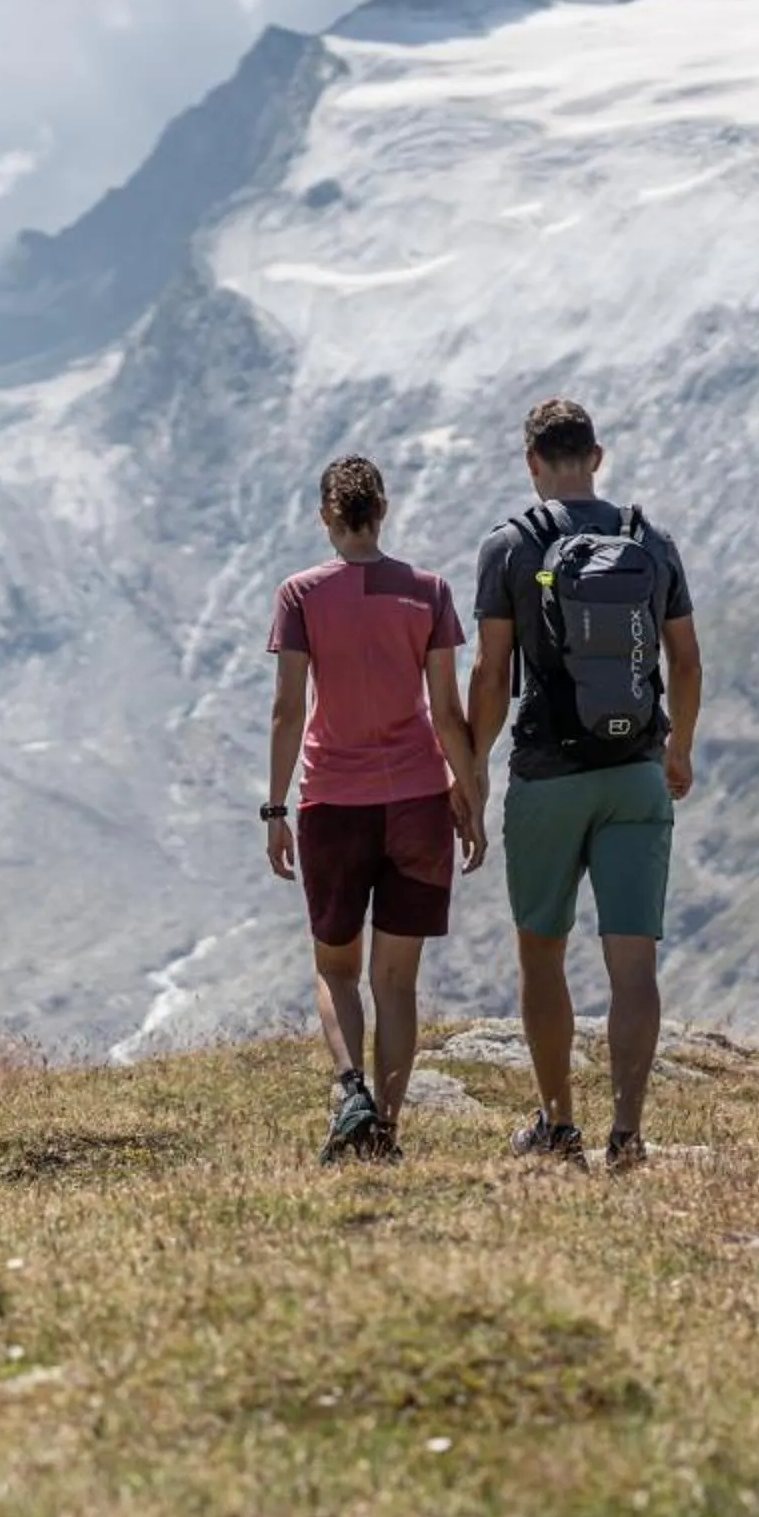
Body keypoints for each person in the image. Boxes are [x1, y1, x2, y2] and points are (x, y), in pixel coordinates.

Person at [466, 397, 701, 1170]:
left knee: (542, 952)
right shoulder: (650, 540)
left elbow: (493, 672)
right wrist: (679, 752)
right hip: (635, 770)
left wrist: (470, 765)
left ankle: (558, 1124)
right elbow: (686, 660)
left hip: (547, 774)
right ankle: (627, 1134)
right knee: (632, 964)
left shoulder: (509, 545)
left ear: (532, 462)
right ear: (596, 456)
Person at [266, 455, 486, 1162]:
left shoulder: (300, 595)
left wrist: (275, 810)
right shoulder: (429, 592)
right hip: (419, 800)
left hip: (334, 801)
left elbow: (286, 709)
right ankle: (384, 1131)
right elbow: (448, 713)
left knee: (336, 968)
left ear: (327, 515)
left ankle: (351, 1093)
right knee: (397, 980)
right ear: (382, 510)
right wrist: (472, 795)